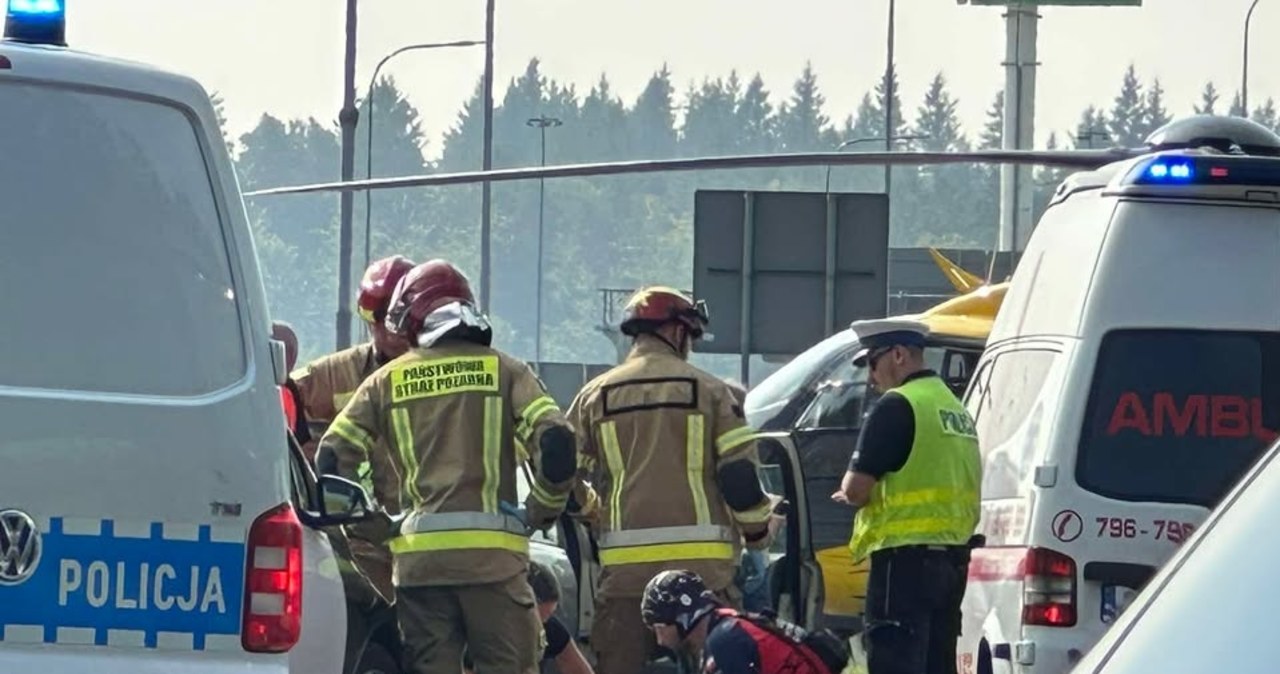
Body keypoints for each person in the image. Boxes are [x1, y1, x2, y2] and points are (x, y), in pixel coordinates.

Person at [315, 258, 577, 674]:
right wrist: (537, 511)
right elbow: (557, 443)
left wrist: (374, 526)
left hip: (420, 571)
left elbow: (331, 458)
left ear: (412, 318)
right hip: (494, 566)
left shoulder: (385, 381)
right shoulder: (506, 371)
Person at [567, 285, 782, 674]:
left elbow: (563, 476)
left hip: (625, 580)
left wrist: (593, 511)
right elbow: (738, 478)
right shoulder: (711, 393)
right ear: (678, 332)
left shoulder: (594, 396)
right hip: (705, 579)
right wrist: (757, 532)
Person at [830, 319, 982, 674]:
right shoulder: (955, 409)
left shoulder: (896, 405)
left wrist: (849, 493)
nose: (870, 377)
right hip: (952, 563)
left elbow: (855, 490)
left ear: (898, 355)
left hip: (903, 564)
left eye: (872, 363)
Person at [293, 254, 416, 605]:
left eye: (389, 318)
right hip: (362, 548)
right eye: (374, 318)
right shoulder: (338, 373)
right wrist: (302, 452)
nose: (382, 329)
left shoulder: (442, 373)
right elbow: (283, 398)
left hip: (426, 547)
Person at [640, 569, 848, 674]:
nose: (659, 641)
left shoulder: (724, 642)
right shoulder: (732, 626)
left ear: (682, 618)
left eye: (659, 628)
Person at [463, 561, 595, 674]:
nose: (543, 624)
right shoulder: (484, 626)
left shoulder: (549, 626)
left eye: (548, 615)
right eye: (538, 617)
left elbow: (577, 668)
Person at [271, 320, 311, 445]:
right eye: (286, 350)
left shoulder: (290, 389)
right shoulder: (257, 389)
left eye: (293, 350)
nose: (292, 357)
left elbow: (302, 439)